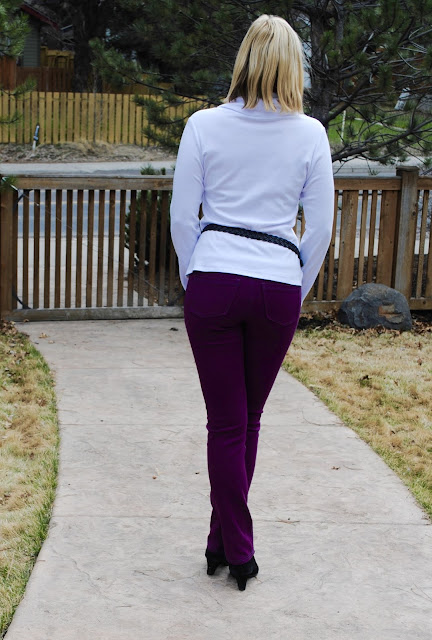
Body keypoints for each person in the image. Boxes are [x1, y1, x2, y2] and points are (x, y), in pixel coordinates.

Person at [170, 14, 334, 591]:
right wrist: (295, 286)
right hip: (276, 284)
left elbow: (183, 217)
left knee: (226, 423)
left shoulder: (203, 125)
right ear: (294, 65)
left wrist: (196, 278)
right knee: (248, 420)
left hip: (214, 277)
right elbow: (319, 230)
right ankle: (234, 547)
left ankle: (227, 544)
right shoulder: (311, 134)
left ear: (243, 58)